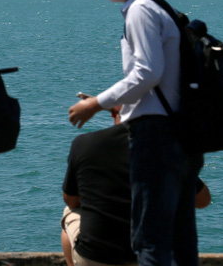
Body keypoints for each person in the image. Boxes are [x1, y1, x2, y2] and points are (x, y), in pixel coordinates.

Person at [68, 0, 205, 266]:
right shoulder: (164, 9)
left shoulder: (141, 9)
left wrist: (96, 104)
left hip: (155, 136)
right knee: (181, 241)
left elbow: (147, 72)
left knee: (150, 240)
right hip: (181, 134)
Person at [61, 110, 212, 266]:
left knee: (69, 212)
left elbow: (71, 200)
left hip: (96, 258)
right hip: (152, 257)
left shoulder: (84, 143)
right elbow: (203, 201)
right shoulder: (166, 149)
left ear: (114, 113)